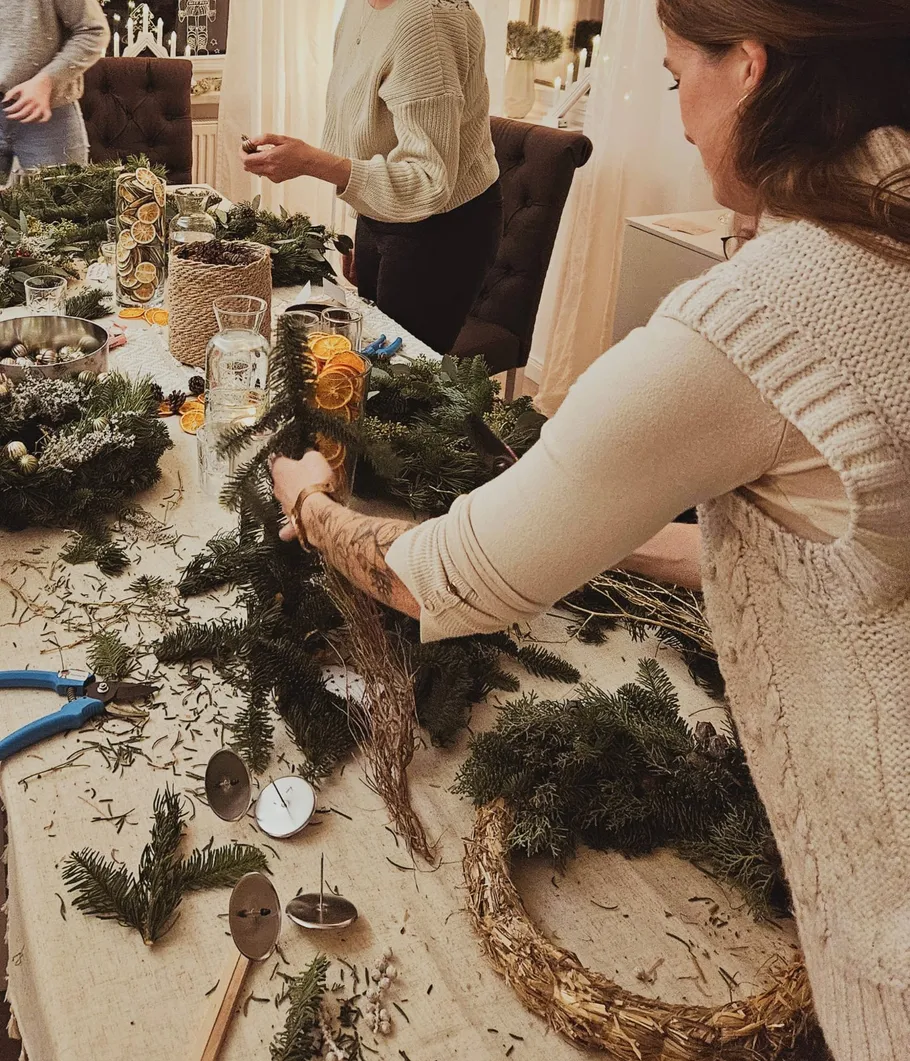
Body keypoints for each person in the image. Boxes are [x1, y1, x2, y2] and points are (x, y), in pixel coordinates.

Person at [272, 0, 910, 1057]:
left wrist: (306, 497)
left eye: (672, 80)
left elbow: (439, 578)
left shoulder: (761, 319)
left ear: (747, 69)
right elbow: (842, 547)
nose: (684, 125)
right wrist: (598, 528)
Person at [241, 0, 502, 354]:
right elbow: (375, 134)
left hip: (440, 232)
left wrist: (310, 163)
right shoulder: (363, 5)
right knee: (360, 362)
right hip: (388, 210)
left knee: (395, 380)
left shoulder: (427, 20)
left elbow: (427, 180)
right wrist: (363, 223)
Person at [0, 0, 110, 183]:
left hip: (49, 117)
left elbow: (94, 31)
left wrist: (47, 81)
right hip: (45, 116)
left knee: (62, 206)